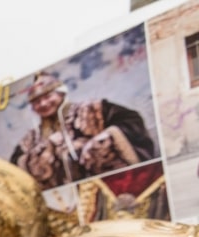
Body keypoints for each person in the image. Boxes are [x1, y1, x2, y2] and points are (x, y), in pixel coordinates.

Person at [10, 72, 155, 189]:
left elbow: (131, 120)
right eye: (36, 101)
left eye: (48, 96)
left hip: (109, 191)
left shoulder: (92, 110)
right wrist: (44, 152)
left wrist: (104, 139)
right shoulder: (30, 139)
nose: (43, 104)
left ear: (61, 94)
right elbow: (14, 169)